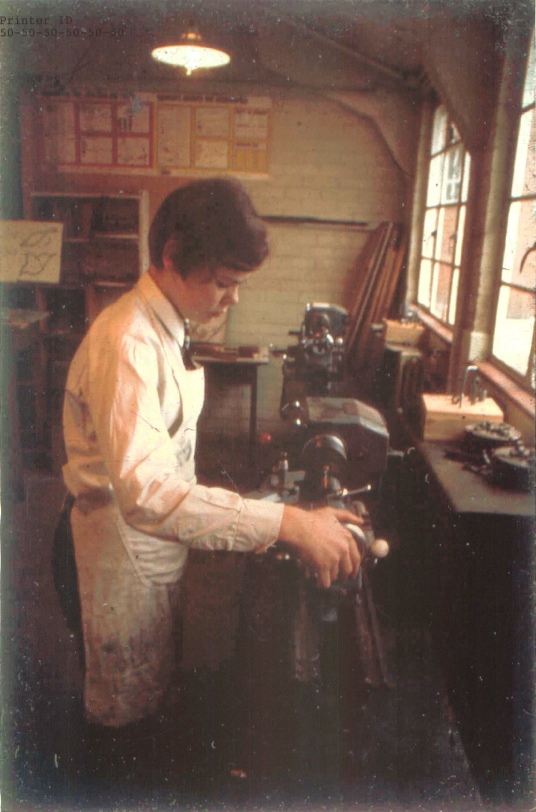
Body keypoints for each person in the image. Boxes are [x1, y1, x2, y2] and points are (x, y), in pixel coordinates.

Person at [62, 177, 361, 744]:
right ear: (172, 257)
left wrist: (275, 515)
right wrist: (289, 523)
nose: (234, 299)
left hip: (151, 548)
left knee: (152, 688)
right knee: (123, 724)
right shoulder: (127, 344)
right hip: (119, 551)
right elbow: (148, 494)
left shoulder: (167, 327)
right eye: (223, 282)